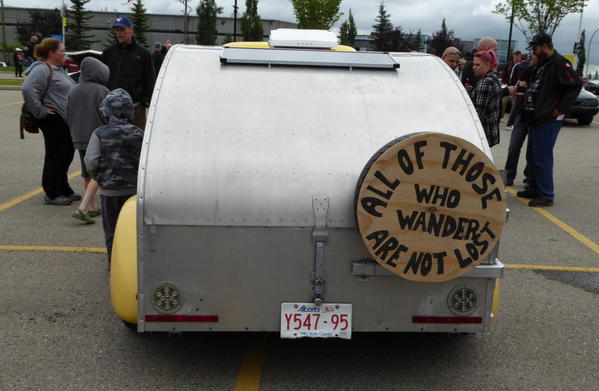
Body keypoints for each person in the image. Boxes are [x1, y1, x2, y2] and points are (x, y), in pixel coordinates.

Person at [517, 33, 582, 207]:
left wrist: (560, 109)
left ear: (545, 46)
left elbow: (575, 85)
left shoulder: (560, 64)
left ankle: (546, 194)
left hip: (548, 118)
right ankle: (534, 187)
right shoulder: (543, 64)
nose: (533, 51)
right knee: (532, 155)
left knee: (542, 157)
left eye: (535, 48)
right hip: (536, 116)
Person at [85, 88, 143, 267]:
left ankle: (114, 263)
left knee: (112, 230)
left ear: (105, 110)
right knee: (133, 229)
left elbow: (91, 161)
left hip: (109, 191)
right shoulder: (138, 133)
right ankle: (134, 264)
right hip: (133, 191)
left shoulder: (99, 133)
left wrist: (100, 178)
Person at [22, 38, 78, 205]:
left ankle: (63, 187)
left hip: (63, 120)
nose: (64, 53)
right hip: (53, 119)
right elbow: (28, 89)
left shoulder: (57, 69)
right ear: (52, 53)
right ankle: (52, 193)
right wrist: (41, 111)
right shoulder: (42, 69)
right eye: (61, 51)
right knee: (56, 155)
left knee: (66, 154)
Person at [66, 57, 110, 223]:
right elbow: (106, 114)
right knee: (99, 170)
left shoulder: (73, 89)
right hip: (97, 136)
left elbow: (67, 112)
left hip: (78, 136)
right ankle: (84, 207)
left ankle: (92, 207)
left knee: (87, 171)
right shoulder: (102, 91)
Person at [101, 16, 155, 130]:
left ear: (131, 29)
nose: (119, 33)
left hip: (135, 108)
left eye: (122, 30)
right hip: (111, 109)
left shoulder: (143, 54)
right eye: (117, 30)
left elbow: (150, 78)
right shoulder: (108, 53)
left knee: (137, 141)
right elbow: (101, 76)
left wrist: (145, 101)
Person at [504, 56, 533, 186]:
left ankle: (529, 178)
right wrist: (521, 90)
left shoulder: (548, 71)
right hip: (522, 113)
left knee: (532, 150)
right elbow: (519, 86)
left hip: (537, 116)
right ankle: (509, 175)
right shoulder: (528, 68)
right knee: (514, 146)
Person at [470, 50, 502, 147]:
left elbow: (478, 115)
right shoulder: (494, 79)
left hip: (481, 135)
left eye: (477, 65)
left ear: (488, 65)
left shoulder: (485, 82)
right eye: (473, 64)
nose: (473, 67)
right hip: (490, 131)